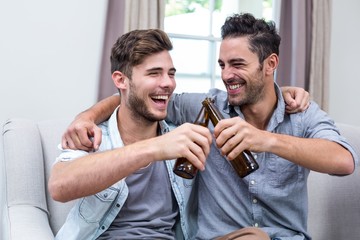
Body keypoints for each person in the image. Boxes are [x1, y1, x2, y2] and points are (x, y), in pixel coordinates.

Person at [60, 13, 358, 239]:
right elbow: (136, 98)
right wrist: (85, 117)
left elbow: (343, 161)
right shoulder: (207, 108)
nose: (227, 75)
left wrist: (265, 140)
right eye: (222, 65)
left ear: (270, 64)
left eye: (237, 64)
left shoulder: (302, 114)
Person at [49, 29, 215, 240]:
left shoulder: (180, 135)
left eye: (171, 73)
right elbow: (59, 186)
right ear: (120, 80)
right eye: (154, 73)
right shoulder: (93, 136)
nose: (168, 83)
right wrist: (154, 148)